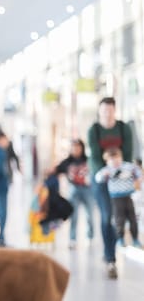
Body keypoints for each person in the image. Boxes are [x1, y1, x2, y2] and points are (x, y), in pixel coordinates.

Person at [87, 96, 133, 279]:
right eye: (104, 111)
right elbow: (95, 158)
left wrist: (125, 172)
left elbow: (128, 153)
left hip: (121, 180)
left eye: (110, 110)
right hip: (101, 181)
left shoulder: (123, 128)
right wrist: (106, 173)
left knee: (119, 217)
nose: (107, 114)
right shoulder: (94, 130)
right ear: (100, 112)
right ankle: (110, 258)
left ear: (115, 110)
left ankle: (114, 247)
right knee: (107, 217)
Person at [94, 147, 142, 248]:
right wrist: (104, 174)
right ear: (107, 161)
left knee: (132, 218)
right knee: (119, 219)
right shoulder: (107, 170)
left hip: (128, 195)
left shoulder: (128, 166)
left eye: (117, 158)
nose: (115, 161)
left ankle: (135, 239)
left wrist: (138, 179)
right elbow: (98, 178)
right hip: (116, 198)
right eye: (112, 159)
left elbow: (138, 171)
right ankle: (120, 238)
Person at [52, 139, 94, 249]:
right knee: (73, 215)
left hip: (88, 190)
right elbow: (55, 171)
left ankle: (90, 237)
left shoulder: (88, 160)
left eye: (78, 147)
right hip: (73, 190)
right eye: (74, 147)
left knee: (90, 214)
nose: (76, 149)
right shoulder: (67, 162)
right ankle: (72, 239)